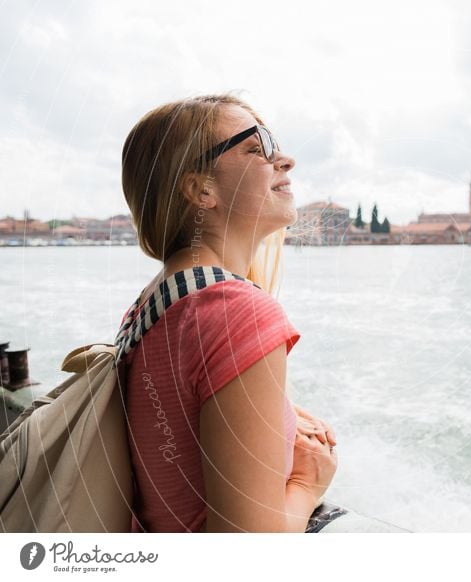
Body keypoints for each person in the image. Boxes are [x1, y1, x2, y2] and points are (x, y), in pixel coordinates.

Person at [118, 94, 337, 532]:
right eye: (256, 147)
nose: (285, 160)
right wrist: (308, 483)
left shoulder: (155, 302)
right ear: (201, 188)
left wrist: (276, 414)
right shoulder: (237, 311)